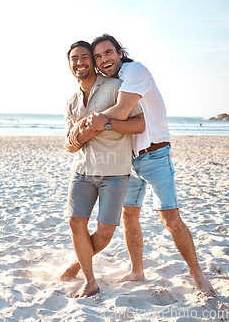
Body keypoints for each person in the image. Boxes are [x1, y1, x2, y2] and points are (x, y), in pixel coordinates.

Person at [85, 34, 215, 295]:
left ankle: (197, 274)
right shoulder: (110, 83)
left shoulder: (135, 71)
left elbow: (122, 112)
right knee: (129, 215)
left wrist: (89, 123)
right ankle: (137, 270)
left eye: (108, 53)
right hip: (128, 159)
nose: (104, 59)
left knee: (170, 218)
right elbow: (117, 122)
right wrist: (95, 123)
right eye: (98, 56)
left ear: (120, 53)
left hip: (155, 155)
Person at [62, 40, 145, 297]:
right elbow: (69, 144)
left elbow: (140, 123)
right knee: (76, 222)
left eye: (85, 57)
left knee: (106, 232)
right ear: (69, 65)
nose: (80, 62)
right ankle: (90, 280)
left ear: (94, 61)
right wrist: (78, 138)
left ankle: (78, 261)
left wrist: (104, 124)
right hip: (82, 172)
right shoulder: (72, 101)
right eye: (74, 59)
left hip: (115, 173)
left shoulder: (115, 87)